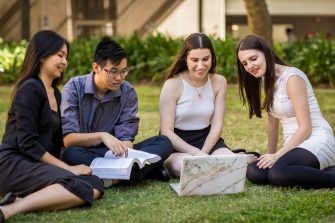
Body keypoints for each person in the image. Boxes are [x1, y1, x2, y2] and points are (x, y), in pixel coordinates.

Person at [0, 30, 104, 223]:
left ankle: (21, 199)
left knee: (93, 184)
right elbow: (27, 144)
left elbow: (55, 144)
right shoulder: (29, 88)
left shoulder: (54, 93)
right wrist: (67, 169)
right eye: (59, 55)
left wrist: (70, 166)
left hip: (35, 164)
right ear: (41, 56)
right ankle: (9, 210)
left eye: (66, 56)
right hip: (13, 164)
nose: (64, 61)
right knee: (80, 183)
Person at [60, 37, 172, 186]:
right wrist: (102, 136)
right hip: (85, 153)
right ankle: (144, 171)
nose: (119, 78)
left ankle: (115, 175)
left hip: (117, 154)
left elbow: (126, 137)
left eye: (124, 71)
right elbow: (68, 140)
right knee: (70, 154)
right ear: (96, 67)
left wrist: (124, 151)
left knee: (163, 142)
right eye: (113, 71)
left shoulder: (128, 91)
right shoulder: (73, 88)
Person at [236, 34, 335, 189]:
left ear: (266, 53)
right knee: (256, 172)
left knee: (278, 173)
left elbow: (306, 127)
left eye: (253, 58)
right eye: (245, 63)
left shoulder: (292, 77)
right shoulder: (265, 78)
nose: (249, 66)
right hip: (293, 145)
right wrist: (269, 156)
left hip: (315, 139)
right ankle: (315, 170)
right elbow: (272, 124)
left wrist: (277, 156)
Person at [160, 33, 258, 177]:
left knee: (227, 165)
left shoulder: (219, 82)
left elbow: (217, 124)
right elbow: (166, 131)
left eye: (206, 59)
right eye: (194, 60)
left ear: (212, 57)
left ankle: (231, 158)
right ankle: (235, 158)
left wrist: (204, 154)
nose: (201, 66)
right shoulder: (172, 85)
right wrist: (197, 154)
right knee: (190, 169)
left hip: (207, 140)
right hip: (177, 144)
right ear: (185, 59)